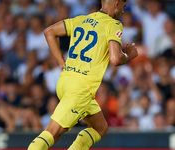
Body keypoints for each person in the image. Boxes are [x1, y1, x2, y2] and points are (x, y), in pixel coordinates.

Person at [28, 0, 138, 150]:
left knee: (100, 128)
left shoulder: (81, 19)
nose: (123, 12)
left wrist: (62, 63)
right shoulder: (113, 24)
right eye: (123, 7)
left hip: (65, 82)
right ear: (117, 3)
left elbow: (49, 32)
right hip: (81, 89)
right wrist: (128, 56)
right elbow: (115, 58)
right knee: (52, 133)